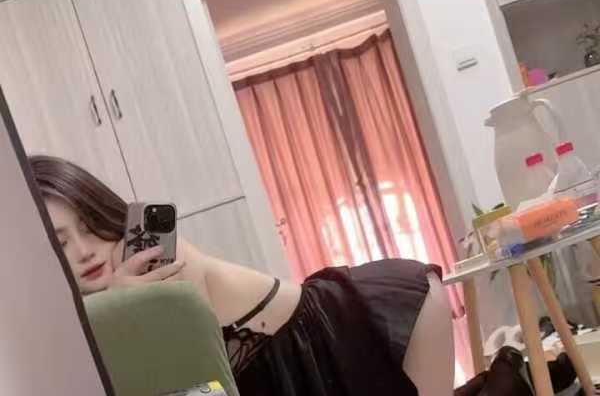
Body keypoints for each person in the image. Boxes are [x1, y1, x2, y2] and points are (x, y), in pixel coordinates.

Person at [30, 155, 454, 396]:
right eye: (60, 243)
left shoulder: (156, 260)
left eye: (89, 226)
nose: (84, 251)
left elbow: (199, 392)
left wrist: (123, 309)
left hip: (332, 335)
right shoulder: (86, 314)